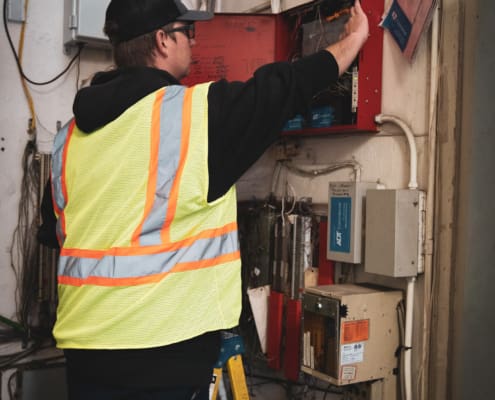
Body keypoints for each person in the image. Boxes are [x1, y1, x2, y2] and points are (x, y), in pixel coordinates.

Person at [38, 0, 369, 399]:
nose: (194, 43)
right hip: (165, 352)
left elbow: (56, 233)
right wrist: (352, 41)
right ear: (162, 40)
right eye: (187, 32)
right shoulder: (195, 115)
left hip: (85, 350)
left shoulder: (68, 138)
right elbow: (283, 88)